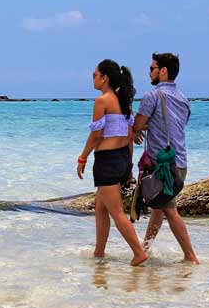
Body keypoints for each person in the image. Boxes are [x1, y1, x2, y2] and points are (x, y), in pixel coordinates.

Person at [77, 59, 147, 267]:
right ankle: (99, 253)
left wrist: (83, 157)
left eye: (95, 74)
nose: (93, 78)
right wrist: (129, 167)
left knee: (116, 212)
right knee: (101, 208)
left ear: (104, 77)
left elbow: (96, 135)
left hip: (107, 161)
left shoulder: (102, 101)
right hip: (122, 159)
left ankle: (139, 253)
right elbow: (130, 135)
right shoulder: (123, 101)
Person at [132, 52, 200, 264]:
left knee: (169, 211)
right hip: (180, 161)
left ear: (163, 71)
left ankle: (190, 256)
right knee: (158, 209)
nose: (149, 72)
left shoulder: (152, 96)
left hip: (162, 165)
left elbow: (138, 124)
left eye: (152, 68)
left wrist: (136, 129)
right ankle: (145, 248)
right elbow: (174, 126)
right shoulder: (184, 99)